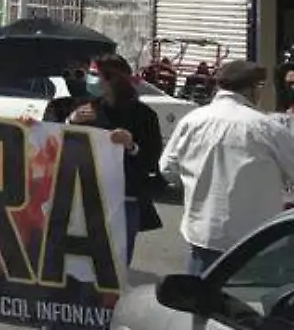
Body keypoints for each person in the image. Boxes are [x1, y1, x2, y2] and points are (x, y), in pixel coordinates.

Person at [159, 60, 294, 274]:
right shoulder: (267, 128)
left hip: (203, 234)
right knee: (250, 305)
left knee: (200, 303)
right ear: (253, 88)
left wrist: (197, 184)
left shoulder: (192, 120)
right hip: (254, 242)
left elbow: (167, 168)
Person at [65, 54, 163, 264]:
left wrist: (132, 146)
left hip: (125, 200)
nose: (90, 80)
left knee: (115, 267)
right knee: (80, 267)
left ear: (113, 79)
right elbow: (56, 142)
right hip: (84, 197)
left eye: (94, 75)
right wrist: (70, 121)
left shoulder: (143, 115)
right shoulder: (85, 108)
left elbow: (152, 160)